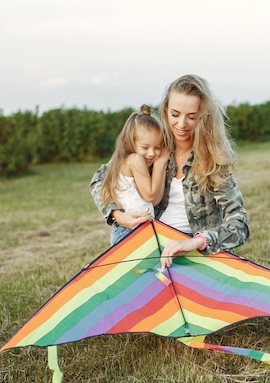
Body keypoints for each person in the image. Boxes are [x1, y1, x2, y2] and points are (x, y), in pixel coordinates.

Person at [90, 74, 249, 267]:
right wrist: (118, 216)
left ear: (203, 117)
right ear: (165, 110)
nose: (181, 124)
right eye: (175, 114)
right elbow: (100, 178)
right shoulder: (155, 147)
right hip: (152, 242)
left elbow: (239, 223)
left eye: (192, 117)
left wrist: (196, 242)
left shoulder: (213, 159)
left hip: (196, 251)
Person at [98, 104, 168, 245]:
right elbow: (150, 195)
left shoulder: (138, 161)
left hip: (143, 227)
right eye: (145, 147)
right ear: (131, 142)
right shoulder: (134, 160)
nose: (152, 153)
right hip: (128, 231)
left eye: (157, 148)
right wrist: (160, 165)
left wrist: (160, 166)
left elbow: (154, 201)